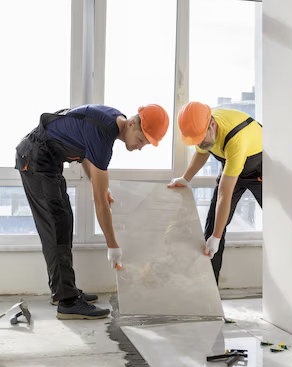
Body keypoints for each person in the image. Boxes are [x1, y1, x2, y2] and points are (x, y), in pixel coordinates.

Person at [15, 104, 169, 319]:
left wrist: (100, 188)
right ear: (132, 123)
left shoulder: (113, 121)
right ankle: (67, 302)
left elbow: (88, 155)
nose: (141, 147)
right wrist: (112, 244)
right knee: (57, 226)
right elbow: (99, 201)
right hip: (35, 159)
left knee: (63, 222)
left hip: (45, 161)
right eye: (141, 140)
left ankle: (62, 292)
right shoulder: (104, 134)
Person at [168, 101, 262, 284]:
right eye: (195, 141)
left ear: (212, 125)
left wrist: (217, 237)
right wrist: (186, 178)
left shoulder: (236, 138)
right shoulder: (200, 128)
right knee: (211, 231)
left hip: (261, 171)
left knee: (282, 223)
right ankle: (208, 292)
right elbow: (202, 153)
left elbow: (224, 194)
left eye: (201, 138)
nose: (199, 143)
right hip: (232, 167)